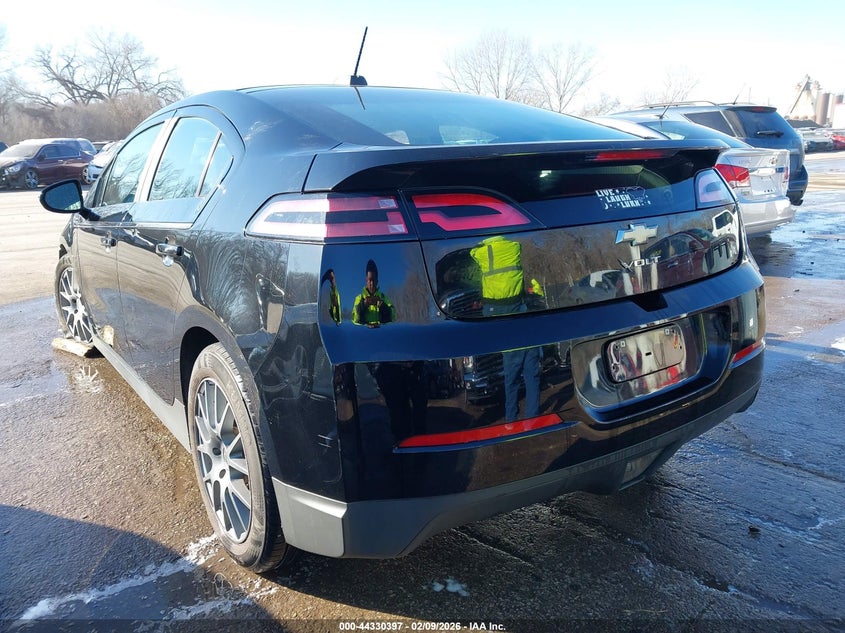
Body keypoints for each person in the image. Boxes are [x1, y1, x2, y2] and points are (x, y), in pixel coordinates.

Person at [469, 236, 540, 422]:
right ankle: (532, 418)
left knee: (511, 379)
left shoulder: (482, 251)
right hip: (519, 311)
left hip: (497, 311)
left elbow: (471, 253)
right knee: (532, 376)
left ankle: (511, 419)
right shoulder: (515, 245)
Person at [352, 259, 395, 327]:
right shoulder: (359, 298)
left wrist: (384, 307)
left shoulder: (383, 297)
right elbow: (354, 319)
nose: (372, 283)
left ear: (377, 281)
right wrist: (363, 305)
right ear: (366, 280)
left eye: (374, 280)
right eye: (370, 280)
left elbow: (393, 316)